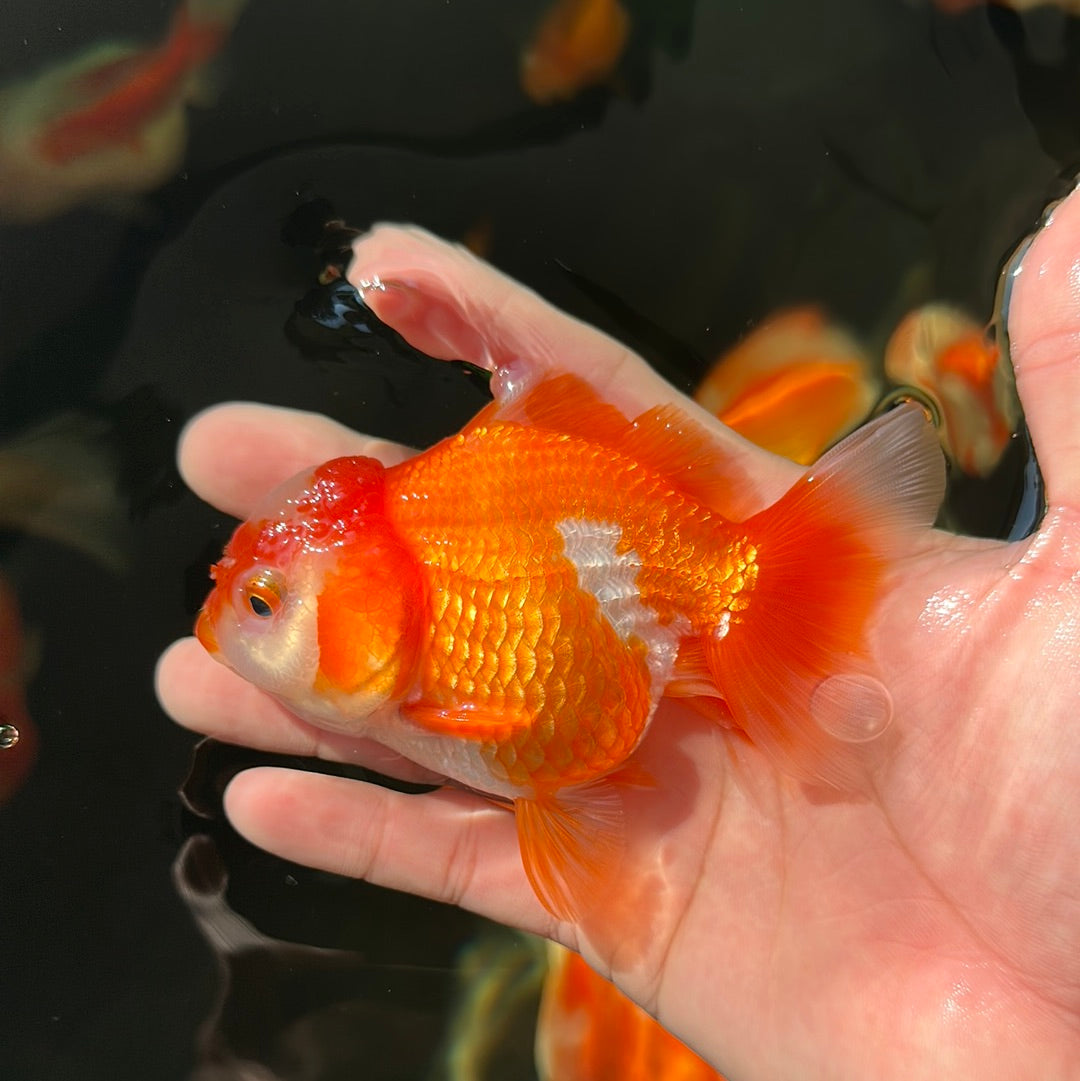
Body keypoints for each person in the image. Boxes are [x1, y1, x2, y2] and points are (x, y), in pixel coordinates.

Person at [156, 185, 1080, 1080]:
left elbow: (526, 743)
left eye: (265, 605)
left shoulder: (439, 661)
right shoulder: (420, 595)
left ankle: (793, 582)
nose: (243, 625)